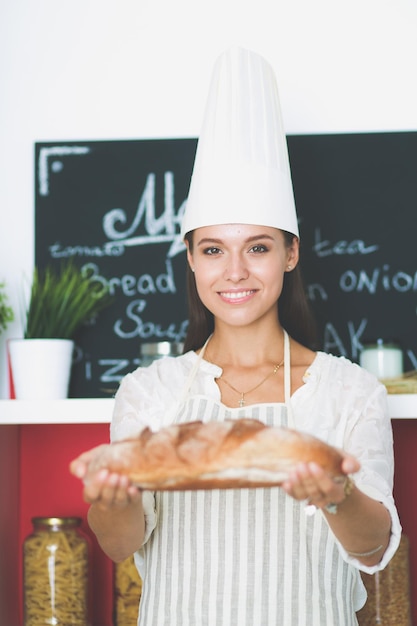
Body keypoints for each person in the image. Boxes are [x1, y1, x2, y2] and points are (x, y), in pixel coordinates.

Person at [70, 47, 401, 625]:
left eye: (258, 247)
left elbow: (372, 551)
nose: (236, 272)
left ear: (290, 253)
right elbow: (121, 544)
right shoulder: (150, 394)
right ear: (192, 260)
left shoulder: (350, 392)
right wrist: (111, 495)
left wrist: (336, 495)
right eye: (214, 249)